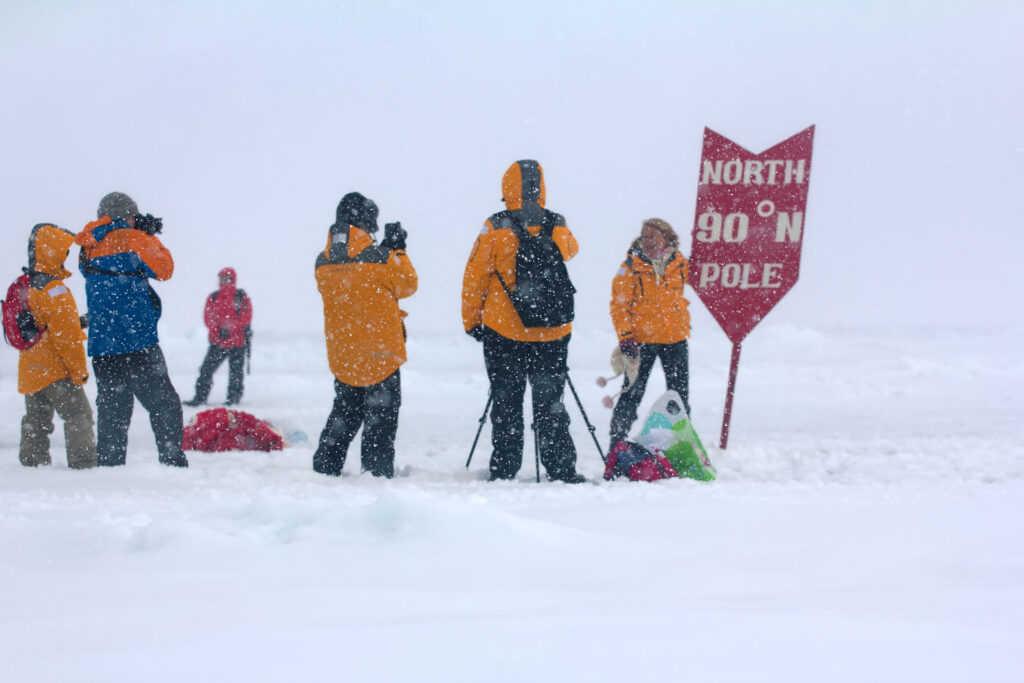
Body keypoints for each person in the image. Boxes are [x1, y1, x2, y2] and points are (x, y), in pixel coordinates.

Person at [461, 159, 585, 483]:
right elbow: (571, 250)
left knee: (507, 402)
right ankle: (561, 469)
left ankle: (504, 469)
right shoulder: (556, 222)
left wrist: (472, 320)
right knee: (551, 404)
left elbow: (475, 275)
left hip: (505, 330)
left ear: (508, 188)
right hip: (552, 330)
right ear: (541, 187)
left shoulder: (494, 226)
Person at [75, 192, 188, 468]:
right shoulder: (133, 238)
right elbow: (165, 269)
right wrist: (147, 235)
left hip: (103, 346)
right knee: (164, 405)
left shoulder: (87, 244)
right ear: (128, 215)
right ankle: (172, 462)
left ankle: (110, 468)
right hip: (137, 342)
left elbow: (98, 278)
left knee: (113, 412)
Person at [313, 192, 417, 478]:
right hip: (380, 353)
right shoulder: (383, 259)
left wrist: (380, 254)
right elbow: (408, 284)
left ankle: (325, 467)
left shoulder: (322, 262)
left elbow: (356, 277)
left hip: (344, 353)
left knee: (344, 412)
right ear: (368, 222)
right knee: (380, 419)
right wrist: (397, 249)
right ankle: (375, 473)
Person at [16, 223, 98, 469]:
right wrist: (79, 371)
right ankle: (83, 463)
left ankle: (32, 463)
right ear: (51, 251)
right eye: (63, 251)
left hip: (31, 368)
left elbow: (41, 324)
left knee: (36, 419)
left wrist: (77, 322)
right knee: (78, 414)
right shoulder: (55, 289)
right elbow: (67, 337)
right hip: (54, 370)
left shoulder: (27, 284)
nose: (66, 256)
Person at [608, 218, 691, 449]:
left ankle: (682, 445)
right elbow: (619, 306)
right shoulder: (630, 267)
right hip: (641, 342)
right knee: (631, 394)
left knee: (679, 397)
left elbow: (706, 280)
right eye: (645, 236)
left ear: (667, 237)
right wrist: (625, 337)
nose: (647, 241)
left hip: (675, 339)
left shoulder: (681, 263)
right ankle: (616, 446)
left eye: (653, 236)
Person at [184, 267, 253, 407]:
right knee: (206, 370)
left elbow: (246, 316)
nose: (223, 280)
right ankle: (200, 398)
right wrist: (218, 330)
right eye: (221, 278)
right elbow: (208, 317)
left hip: (237, 342)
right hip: (218, 342)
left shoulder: (241, 296)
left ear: (232, 279)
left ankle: (233, 399)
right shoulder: (213, 297)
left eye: (226, 278)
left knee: (235, 373)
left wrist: (230, 328)